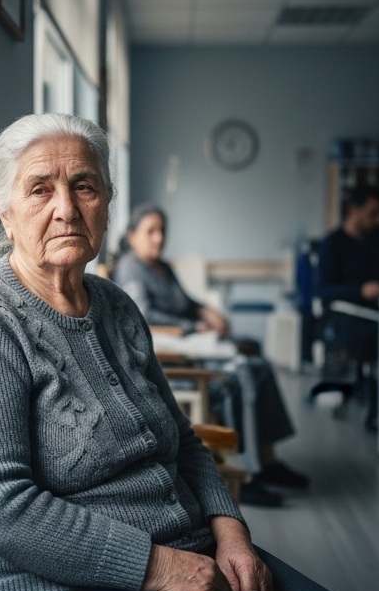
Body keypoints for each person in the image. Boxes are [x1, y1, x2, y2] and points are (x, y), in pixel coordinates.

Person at [0, 113, 379, 591]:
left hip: (189, 545)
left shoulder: (117, 306)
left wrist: (232, 532)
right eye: (40, 190)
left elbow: (185, 443)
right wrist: (159, 569)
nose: (66, 208)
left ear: (107, 203)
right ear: (5, 212)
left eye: (85, 186)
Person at [114, 204, 309, 507]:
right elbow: (146, 314)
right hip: (174, 357)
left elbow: (188, 301)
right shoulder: (131, 268)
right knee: (237, 379)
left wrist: (209, 312)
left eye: (162, 231)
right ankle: (245, 472)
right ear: (132, 235)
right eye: (151, 231)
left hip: (197, 345)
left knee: (260, 366)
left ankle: (269, 460)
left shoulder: (163, 268)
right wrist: (196, 326)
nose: (159, 238)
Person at [313, 185, 379, 415]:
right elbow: (323, 289)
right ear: (354, 210)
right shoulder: (332, 244)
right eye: (373, 213)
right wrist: (360, 290)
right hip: (348, 316)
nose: (378, 219)